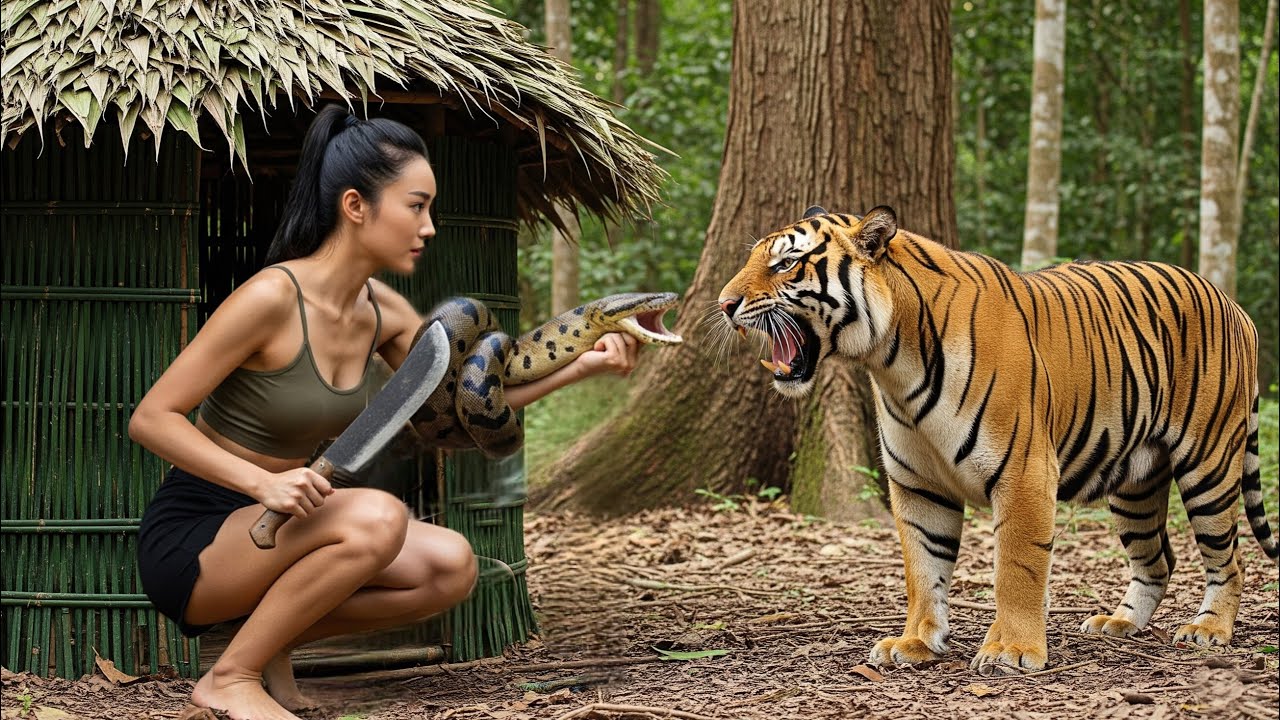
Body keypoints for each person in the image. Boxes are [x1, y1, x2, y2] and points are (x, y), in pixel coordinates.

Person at [129, 105, 641, 720]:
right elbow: (152, 417)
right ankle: (229, 678)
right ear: (356, 207)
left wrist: (583, 363)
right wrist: (264, 482)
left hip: (287, 526)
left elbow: (461, 411)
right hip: (200, 536)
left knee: (450, 567)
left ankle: (266, 646)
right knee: (375, 517)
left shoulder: (385, 313)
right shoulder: (270, 298)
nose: (429, 226)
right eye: (416, 205)